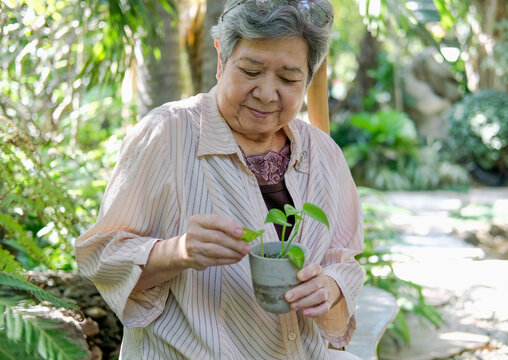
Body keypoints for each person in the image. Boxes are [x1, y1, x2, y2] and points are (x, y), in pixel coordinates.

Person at [75, 0, 365, 359]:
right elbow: (100, 255)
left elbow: (344, 260)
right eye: (250, 71)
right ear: (221, 59)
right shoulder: (167, 133)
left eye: (288, 78)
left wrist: (331, 286)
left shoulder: (323, 153)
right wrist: (177, 252)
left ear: (308, 76)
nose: (266, 93)